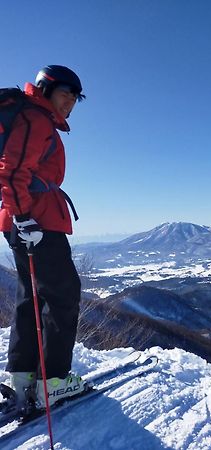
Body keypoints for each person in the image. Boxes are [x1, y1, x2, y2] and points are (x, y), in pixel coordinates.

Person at [0, 65, 87, 409]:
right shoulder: (36, 120)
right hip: (37, 221)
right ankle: (54, 381)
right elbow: (10, 170)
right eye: (65, 94)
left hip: (25, 219)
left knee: (30, 297)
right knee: (63, 295)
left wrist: (19, 218)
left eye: (75, 99)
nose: (70, 104)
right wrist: (25, 218)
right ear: (46, 89)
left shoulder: (32, 118)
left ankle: (24, 378)